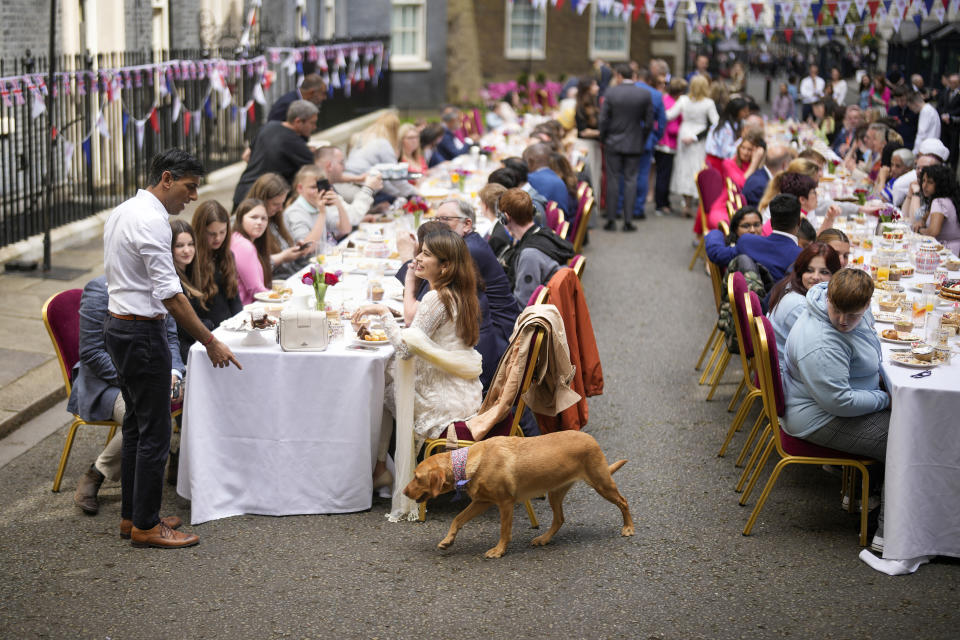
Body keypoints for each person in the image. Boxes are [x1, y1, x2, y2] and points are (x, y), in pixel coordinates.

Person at [102, 149, 240, 549]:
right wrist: (210, 340)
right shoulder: (151, 221)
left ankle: (134, 516)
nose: (193, 196)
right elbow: (171, 296)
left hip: (121, 326)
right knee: (156, 431)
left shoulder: (125, 210)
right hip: (141, 333)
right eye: (190, 186)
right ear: (167, 178)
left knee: (137, 426)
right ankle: (146, 525)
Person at [353, 229, 483, 489]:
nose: (418, 258)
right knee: (388, 381)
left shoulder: (436, 298)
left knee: (380, 389)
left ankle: (375, 469)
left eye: (426, 254)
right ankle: (380, 469)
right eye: (420, 251)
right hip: (463, 392)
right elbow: (424, 332)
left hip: (442, 402)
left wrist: (381, 312)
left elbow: (405, 350)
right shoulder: (461, 293)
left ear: (445, 266)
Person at [781, 269, 890, 552]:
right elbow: (839, 402)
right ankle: (889, 532)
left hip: (828, 404)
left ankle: (864, 496)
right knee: (904, 439)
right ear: (828, 297)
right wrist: (884, 399)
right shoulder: (820, 342)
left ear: (868, 304)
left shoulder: (845, 308)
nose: (843, 321)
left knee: (909, 423)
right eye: (837, 310)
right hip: (818, 417)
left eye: (852, 314)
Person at [69, 275, 185, 516]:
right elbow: (91, 353)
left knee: (199, 394)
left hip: (154, 376)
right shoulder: (100, 290)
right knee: (148, 415)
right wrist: (138, 378)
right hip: (107, 384)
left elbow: (171, 339)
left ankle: (179, 460)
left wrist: (174, 372)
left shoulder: (160, 285)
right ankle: (97, 473)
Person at [430, 198, 522, 389]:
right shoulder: (468, 243)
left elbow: (431, 296)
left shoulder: (467, 251)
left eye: (445, 219)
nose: (437, 226)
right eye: (435, 220)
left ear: (467, 224)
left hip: (495, 338)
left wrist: (409, 261)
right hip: (490, 325)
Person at [179, 201, 243, 360]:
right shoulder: (191, 262)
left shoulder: (227, 256)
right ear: (201, 232)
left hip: (229, 332)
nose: (218, 238)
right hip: (204, 338)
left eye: (222, 232)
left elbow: (234, 300)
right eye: (212, 233)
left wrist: (242, 324)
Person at [233, 100, 318, 209]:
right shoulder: (296, 144)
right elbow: (315, 173)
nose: (314, 127)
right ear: (298, 121)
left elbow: (246, 156)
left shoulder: (269, 127)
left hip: (242, 192)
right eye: (312, 123)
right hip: (263, 201)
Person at [598, 63, 653, 231]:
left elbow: (603, 120)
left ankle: (612, 219)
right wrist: (641, 138)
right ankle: (628, 221)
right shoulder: (644, 94)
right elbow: (649, 123)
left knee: (613, 180)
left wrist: (604, 137)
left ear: (619, 76)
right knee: (631, 180)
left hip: (613, 142)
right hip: (634, 142)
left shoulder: (611, 92)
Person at [498, 188, 575, 306]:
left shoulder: (529, 255)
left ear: (506, 218)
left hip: (530, 317)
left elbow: (522, 305)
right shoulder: (543, 233)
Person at [768, 242, 842, 357]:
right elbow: (826, 347)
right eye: (809, 270)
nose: (815, 277)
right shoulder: (800, 305)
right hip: (787, 372)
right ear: (801, 271)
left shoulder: (795, 287)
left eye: (824, 272)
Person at [242, 173, 312, 280]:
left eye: (282, 203)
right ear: (262, 200)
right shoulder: (247, 224)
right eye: (275, 204)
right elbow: (250, 266)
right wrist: (282, 257)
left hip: (291, 276)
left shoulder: (276, 219)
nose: (280, 208)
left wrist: (296, 250)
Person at [667, 75, 719, 218]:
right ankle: (696, 202)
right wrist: (697, 137)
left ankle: (686, 202)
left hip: (684, 134)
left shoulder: (683, 100)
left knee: (683, 168)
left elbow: (670, 115)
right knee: (696, 167)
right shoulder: (708, 103)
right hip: (698, 138)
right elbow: (715, 123)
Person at [344, 112, 417, 200]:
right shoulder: (383, 143)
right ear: (394, 129)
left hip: (345, 183)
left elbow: (385, 179)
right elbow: (395, 177)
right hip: (359, 189)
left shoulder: (363, 138)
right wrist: (414, 193)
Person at [736, 193, 803, 282]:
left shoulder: (746, 242)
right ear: (799, 222)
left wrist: (716, 232)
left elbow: (720, 254)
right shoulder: (802, 257)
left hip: (750, 294)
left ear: (770, 222)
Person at [283, 164, 351, 250]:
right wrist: (322, 213)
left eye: (319, 187)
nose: (317, 192)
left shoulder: (317, 205)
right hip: (306, 262)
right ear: (300, 188)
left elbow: (345, 230)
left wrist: (339, 206)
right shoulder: (294, 212)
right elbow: (307, 248)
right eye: (313, 187)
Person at [628, 66, 666, 220]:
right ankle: (638, 208)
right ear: (650, 80)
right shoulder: (656, 95)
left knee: (627, 174)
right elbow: (662, 122)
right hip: (647, 139)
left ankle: (623, 206)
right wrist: (655, 137)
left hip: (627, 138)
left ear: (636, 77)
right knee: (643, 174)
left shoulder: (628, 91)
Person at [314, 145, 382, 224]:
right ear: (329, 166)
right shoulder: (322, 191)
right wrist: (369, 188)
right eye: (341, 163)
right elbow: (352, 217)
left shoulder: (323, 184)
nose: (344, 168)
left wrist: (361, 219)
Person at [909, 163, 960, 254]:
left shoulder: (939, 202)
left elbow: (933, 232)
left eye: (930, 182)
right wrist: (922, 221)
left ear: (941, 184)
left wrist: (919, 230)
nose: (924, 185)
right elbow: (926, 217)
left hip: (947, 253)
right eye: (923, 181)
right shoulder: (949, 200)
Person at [230, 198, 272, 304]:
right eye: (254, 217)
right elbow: (256, 289)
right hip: (245, 311)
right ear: (240, 219)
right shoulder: (243, 245)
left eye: (264, 218)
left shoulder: (237, 238)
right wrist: (281, 298)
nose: (259, 222)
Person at [654, 77, 685, 216]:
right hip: (668, 144)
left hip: (660, 142)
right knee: (664, 176)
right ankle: (661, 204)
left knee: (661, 174)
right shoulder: (674, 104)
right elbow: (673, 129)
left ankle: (663, 202)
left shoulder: (664, 99)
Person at [890, 137, 949, 207]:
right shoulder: (916, 184)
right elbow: (904, 213)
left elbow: (917, 216)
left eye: (919, 156)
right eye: (918, 168)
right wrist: (910, 194)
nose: (915, 161)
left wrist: (916, 194)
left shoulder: (939, 201)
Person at [523, 142, 573, 216]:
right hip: (559, 222)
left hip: (546, 224)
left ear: (530, 161)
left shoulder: (531, 179)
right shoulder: (555, 177)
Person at [575, 77, 602, 201]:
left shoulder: (593, 104)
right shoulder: (582, 107)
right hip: (587, 145)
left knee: (596, 177)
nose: (598, 88)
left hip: (594, 145)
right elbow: (583, 131)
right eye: (594, 85)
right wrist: (601, 132)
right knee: (591, 177)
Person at [705, 97, 748, 171]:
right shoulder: (725, 128)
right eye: (744, 111)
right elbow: (727, 152)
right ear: (736, 111)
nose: (746, 113)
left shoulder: (736, 123)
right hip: (717, 163)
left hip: (721, 160)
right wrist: (742, 140)